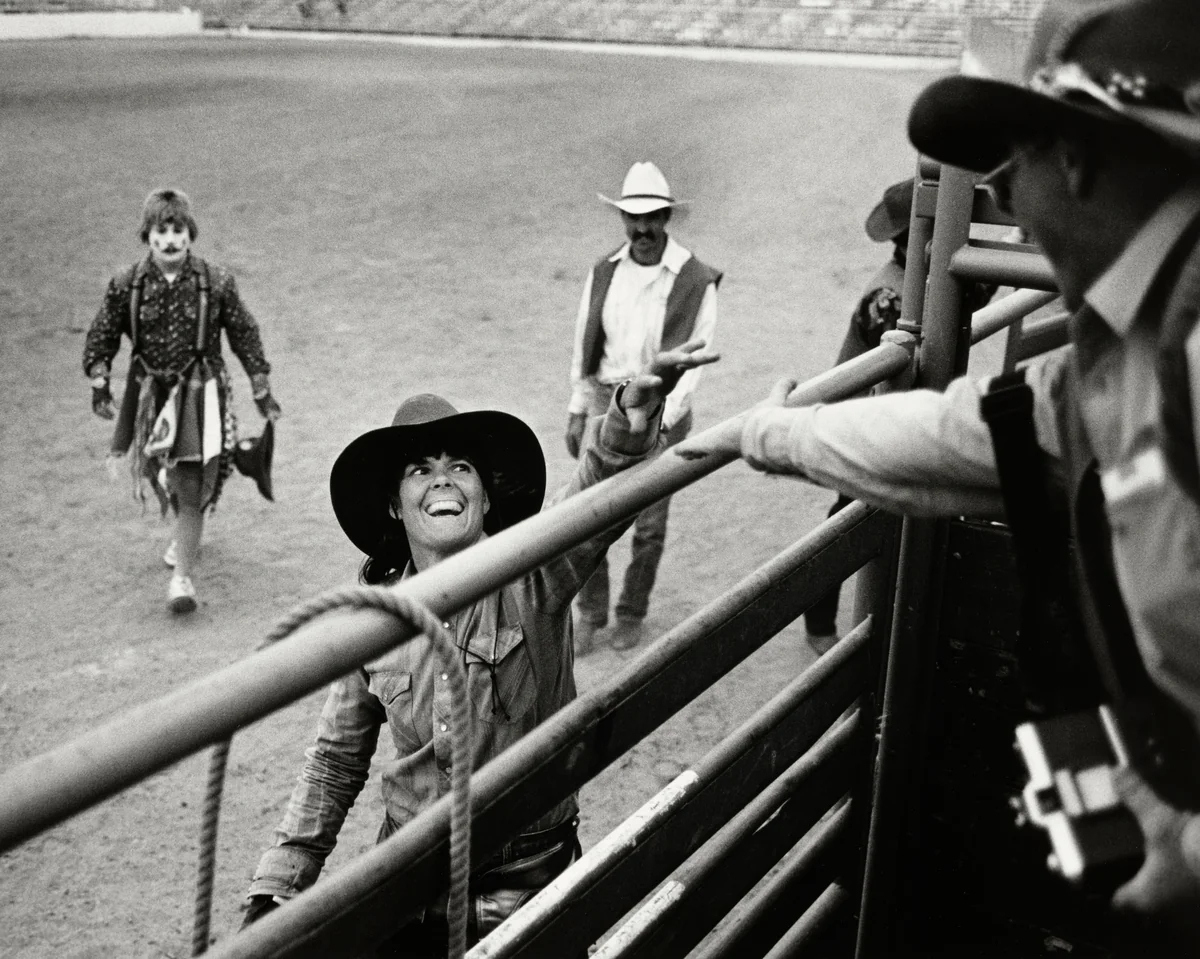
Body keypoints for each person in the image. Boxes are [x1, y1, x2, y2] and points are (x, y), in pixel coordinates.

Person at [681, 0, 1200, 943]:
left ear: (1075, 159)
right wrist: (773, 434)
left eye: (1005, 176)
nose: (1007, 209)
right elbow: (956, 434)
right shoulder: (1118, 347)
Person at [242, 342, 718, 957]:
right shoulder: (373, 621)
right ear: (395, 506)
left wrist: (627, 419)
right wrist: (277, 887)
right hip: (410, 880)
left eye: (460, 467)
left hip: (527, 884)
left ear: (486, 499)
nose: (442, 479)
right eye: (420, 470)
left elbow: (594, 498)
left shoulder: (535, 575)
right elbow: (336, 760)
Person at [803, 177, 996, 650]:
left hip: (882, 414)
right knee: (849, 520)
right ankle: (819, 622)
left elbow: (971, 294)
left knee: (870, 515)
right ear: (912, 240)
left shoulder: (919, 278)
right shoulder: (887, 299)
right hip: (862, 420)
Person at [83, 188, 281, 614]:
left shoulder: (217, 282)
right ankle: (240, 460)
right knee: (162, 475)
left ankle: (181, 579)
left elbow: (244, 333)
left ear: (190, 234)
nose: (170, 240)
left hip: (201, 397)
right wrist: (99, 381)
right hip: (151, 401)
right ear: (147, 235)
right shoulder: (126, 285)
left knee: (191, 485)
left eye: (178, 231)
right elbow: (102, 334)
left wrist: (260, 386)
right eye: (161, 231)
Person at [565, 161, 722, 654]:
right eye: (633, 218)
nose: (642, 229)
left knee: (649, 523)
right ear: (622, 220)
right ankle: (590, 612)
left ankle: (631, 611)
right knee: (589, 515)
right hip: (606, 399)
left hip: (663, 409)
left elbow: (692, 363)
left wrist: (659, 421)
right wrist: (578, 405)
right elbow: (585, 337)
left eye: (652, 217)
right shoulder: (604, 271)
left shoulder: (695, 278)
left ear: (667, 218)